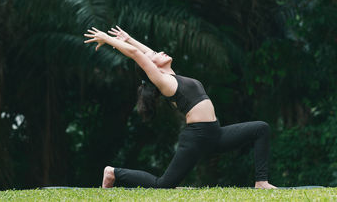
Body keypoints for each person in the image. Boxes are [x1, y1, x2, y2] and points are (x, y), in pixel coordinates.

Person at [83, 26, 277, 189]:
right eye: (155, 55)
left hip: (215, 134)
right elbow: (137, 56)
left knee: (261, 128)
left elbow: (146, 53)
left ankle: (261, 182)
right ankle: (113, 173)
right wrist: (108, 39)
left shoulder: (171, 75)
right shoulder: (164, 82)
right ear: (153, 68)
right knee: (163, 185)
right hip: (197, 137)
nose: (159, 52)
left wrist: (129, 38)